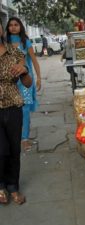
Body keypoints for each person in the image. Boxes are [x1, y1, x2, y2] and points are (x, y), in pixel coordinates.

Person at [0, 17, 32, 205]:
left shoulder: (15, 52)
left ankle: (13, 187)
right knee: (0, 150)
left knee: (13, 149)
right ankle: (0, 185)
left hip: (13, 107)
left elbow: (27, 84)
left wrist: (24, 71)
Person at [6, 17, 41, 151]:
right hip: (10, 82)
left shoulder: (25, 42)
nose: (13, 27)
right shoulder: (5, 43)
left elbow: (34, 61)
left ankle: (24, 139)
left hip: (26, 81)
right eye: (10, 25)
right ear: (7, 28)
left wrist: (39, 78)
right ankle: (14, 137)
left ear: (20, 26)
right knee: (13, 110)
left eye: (16, 25)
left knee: (25, 110)